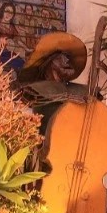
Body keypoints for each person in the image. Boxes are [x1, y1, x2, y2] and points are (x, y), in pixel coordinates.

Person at [16, 31, 88, 173]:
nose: (68, 61)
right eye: (63, 57)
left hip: (77, 158)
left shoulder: (81, 92)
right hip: (46, 160)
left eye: (69, 57)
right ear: (51, 61)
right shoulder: (34, 90)